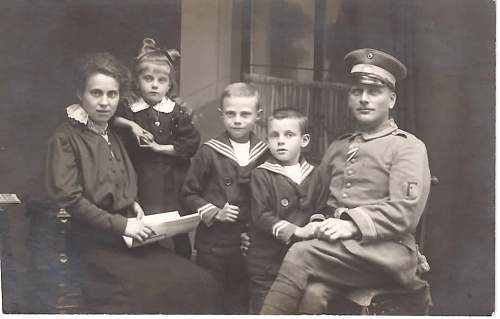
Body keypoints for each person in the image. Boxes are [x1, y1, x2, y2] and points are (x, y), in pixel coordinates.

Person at [260, 48, 432, 314]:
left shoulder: (408, 147)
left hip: (388, 253)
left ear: (392, 99)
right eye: (356, 91)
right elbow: (314, 202)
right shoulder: (339, 147)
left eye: (374, 92)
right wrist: (313, 224)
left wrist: (351, 225)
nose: (364, 99)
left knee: (301, 254)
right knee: (313, 294)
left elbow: (405, 212)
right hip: (342, 253)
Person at [45, 52, 216, 314]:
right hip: (92, 244)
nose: (104, 102)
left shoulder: (115, 133)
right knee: (149, 293)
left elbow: (119, 180)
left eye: (112, 95)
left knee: (199, 280)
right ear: (80, 94)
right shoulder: (65, 138)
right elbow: (70, 198)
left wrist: (132, 203)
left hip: (128, 240)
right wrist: (123, 224)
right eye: (96, 93)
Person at [181, 82, 269, 314]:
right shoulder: (209, 152)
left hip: (246, 243)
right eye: (230, 114)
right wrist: (214, 212)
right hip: (213, 244)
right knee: (211, 299)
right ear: (221, 115)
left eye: (244, 114)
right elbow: (188, 194)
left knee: (240, 300)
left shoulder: (264, 153)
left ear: (258, 116)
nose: (237, 120)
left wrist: (256, 234)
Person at [113, 38, 200, 259]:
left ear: (169, 85)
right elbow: (109, 118)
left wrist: (159, 148)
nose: (154, 85)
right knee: (143, 225)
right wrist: (131, 125)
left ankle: (179, 267)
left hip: (171, 179)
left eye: (161, 80)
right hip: (140, 177)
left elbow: (189, 145)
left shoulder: (177, 112)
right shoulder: (130, 109)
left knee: (173, 227)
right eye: (148, 79)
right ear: (137, 82)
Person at [246, 108, 324, 314]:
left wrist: (316, 224)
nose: (280, 141)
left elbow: (321, 207)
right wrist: (296, 231)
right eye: (274, 135)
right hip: (267, 265)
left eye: (289, 135)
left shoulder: (316, 174)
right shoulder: (261, 174)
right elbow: (261, 215)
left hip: (302, 264)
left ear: (304, 140)